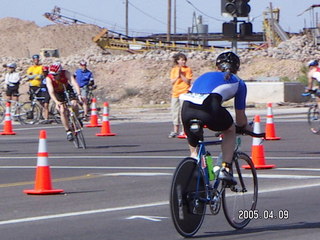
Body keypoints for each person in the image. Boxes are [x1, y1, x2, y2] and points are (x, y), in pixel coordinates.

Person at [180, 51, 251, 185]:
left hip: (186, 109)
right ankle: (225, 168)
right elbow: (240, 119)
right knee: (230, 130)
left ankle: (195, 161)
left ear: (216, 67)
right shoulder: (239, 82)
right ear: (237, 69)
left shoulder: (204, 75)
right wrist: (246, 127)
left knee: (196, 148)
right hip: (210, 107)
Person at [45, 62, 83, 141]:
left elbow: (74, 83)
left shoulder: (65, 73)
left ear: (60, 72)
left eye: (56, 75)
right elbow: (51, 92)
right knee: (62, 110)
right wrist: (56, 102)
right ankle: (68, 131)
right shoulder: (49, 78)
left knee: (74, 104)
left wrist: (79, 94)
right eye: (53, 75)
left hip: (66, 89)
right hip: (57, 92)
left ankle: (77, 118)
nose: (54, 77)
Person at [168, 53, 193, 138]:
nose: (183, 61)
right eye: (181, 60)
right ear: (177, 61)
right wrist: (177, 75)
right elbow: (172, 82)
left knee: (184, 111)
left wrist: (181, 74)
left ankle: (184, 130)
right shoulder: (174, 69)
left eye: (184, 60)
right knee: (175, 111)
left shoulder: (188, 69)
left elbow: (188, 81)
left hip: (184, 92)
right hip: (175, 93)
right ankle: (175, 130)